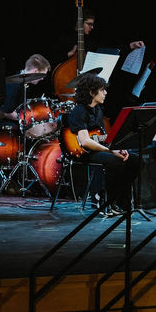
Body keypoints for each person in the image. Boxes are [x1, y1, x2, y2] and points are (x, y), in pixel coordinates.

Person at [65, 73, 141, 214]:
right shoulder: (79, 111)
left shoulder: (98, 110)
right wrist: (111, 151)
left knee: (135, 160)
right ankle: (106, 201)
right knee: (114, 161)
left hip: (97, 150)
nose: (105, 93)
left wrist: (118, 148)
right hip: (82, 153)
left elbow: (103, 138)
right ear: (91, 92)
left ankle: (121, 201)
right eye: (102, 90)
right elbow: (86, 141)